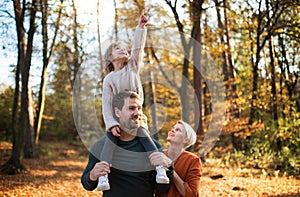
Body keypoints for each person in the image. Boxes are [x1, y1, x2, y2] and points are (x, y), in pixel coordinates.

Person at [98, 10, 169, 191]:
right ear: (110, 58)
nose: (124, 50)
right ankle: (103, 176)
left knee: (145, 138)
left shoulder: (132, 67)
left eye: (125, 48)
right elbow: (106, 104)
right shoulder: (109, 79)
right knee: (109, 144)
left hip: (135, 115)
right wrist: (111, 124)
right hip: (119, 117)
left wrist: (141, 27)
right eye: (118, 49)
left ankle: (160, 168)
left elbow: (138, 48)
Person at [81, 91, 174, 197]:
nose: (137, 113)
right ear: (117, 112)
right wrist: (92, 175)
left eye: (139, 108)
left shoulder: (153, 147)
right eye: (131, 108)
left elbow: (162, 188)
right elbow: (87, 184)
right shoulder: (101, 146)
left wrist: (169, 166)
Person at [153, 120, 202, 197]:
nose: (172, 130)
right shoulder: (159, 155)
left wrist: (171, 170)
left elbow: (192, 194)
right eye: (173, 128)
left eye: (178, 130)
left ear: (186, 140)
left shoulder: (193, 160)